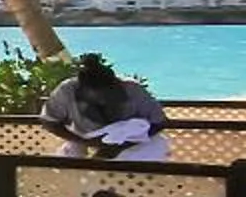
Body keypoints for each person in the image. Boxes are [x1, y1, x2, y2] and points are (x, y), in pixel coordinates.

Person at [37, 53, 171, 162]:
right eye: (97, 96)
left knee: (149, 152)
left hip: (133, 142)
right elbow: (49, 121)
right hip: (83, 139)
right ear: (82, 89)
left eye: (109, 94)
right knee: (69, 167)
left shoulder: (132, 89)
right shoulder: (67, 90)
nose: (103, 100)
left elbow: (159, 122)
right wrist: (85, 141)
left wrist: (121, 146)